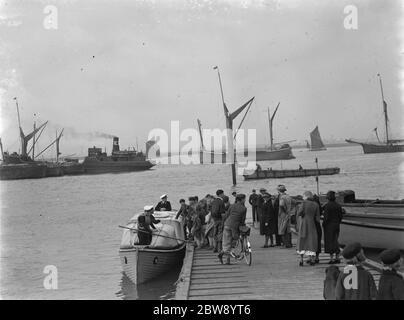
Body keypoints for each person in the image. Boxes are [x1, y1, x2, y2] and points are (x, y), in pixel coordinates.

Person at [219, 194, 247, 265]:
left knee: (227, 242)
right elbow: (242, 220)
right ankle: (226, 258)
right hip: (234, 227)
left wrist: (223, 224)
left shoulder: (231, 206)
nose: (245, 200)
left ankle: (224, 256)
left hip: (227, 224)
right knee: (233, 241)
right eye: (244, 199)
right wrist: (242, 226)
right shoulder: (244, 208)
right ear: (241, 200)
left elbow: (227, 215)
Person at [296, 191, 320, 266]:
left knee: (302, 241)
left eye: (303, 196)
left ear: (306, 196)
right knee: (311, 240)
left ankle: (301, 260)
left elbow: (299, 213)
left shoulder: (304, 203)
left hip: (304, 224)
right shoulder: (316, 204)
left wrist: (302, 213)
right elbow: (317, 218)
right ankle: (312, 259)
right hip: (312, 224)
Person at [322, 191, 344, 264]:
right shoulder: (338, 205)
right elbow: (341, 216)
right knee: (336, 240)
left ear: (328, 198)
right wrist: (338, 222)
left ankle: (331, 258)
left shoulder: (327, 206)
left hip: (329, 226)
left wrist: (324, 224)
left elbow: (326, 218)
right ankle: (337, 257)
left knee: (330, 242)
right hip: (336, 224)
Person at [311, 193, 323, 264]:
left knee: (312, 241)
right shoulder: (319, 207)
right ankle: (317, 257)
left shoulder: (313, 206)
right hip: (318, 225)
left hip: (312, 225)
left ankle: (312, 257)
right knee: (318, 241)